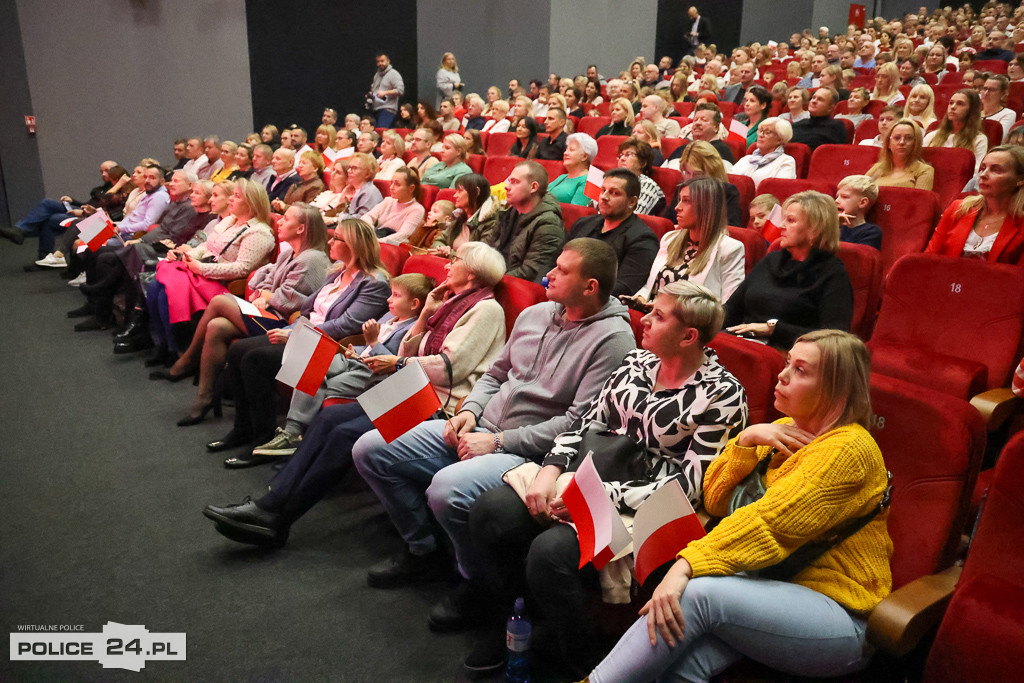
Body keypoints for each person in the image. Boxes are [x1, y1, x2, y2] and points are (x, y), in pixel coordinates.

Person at [350, 241, 634, 634]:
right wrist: (470, 411)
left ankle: (477, 583)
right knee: (370, 447)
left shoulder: (614, 339)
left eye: (563, 271)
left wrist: (499, 442)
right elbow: (495, 375)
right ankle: (424, 550)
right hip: (481, 423)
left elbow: (579, 422)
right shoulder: (536, 313)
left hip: (531, 452)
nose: (549, 274)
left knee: (446, 489)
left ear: (590, 286)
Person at [466, 277, 746, 677]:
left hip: (645, 504)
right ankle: (511, 620)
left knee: (552, 554)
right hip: (587, 473)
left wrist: (597, 495)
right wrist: (549, 470)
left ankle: (580, 659)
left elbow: (692, 485)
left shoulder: (722, 393)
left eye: (658, 316)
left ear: (688, 336)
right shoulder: (636, 362)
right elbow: (586, 423)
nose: (644, 320)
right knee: (489, 513)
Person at [586, 329, 891, 683]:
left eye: (801, 370)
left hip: (836, 612)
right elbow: (715, 500)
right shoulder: (782, 430)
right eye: (788, 362)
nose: (783, 374)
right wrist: (745, 441)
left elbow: (769, 523)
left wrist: (685, 567)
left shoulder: (848, 450)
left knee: (695, 593)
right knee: (681, 667)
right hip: (766, 585)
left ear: (837, 390)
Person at [206, 239, 504, 501]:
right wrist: (425, 313)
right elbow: (407, 351)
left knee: (344, 431)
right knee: (331, 416)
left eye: (457, 260)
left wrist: (398, 362)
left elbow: (448, 369)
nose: (449, 264)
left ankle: (277, 504)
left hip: (436, 400)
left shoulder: (486, 309)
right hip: (410, 383)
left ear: (473, 272)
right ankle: (280, 480)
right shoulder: (450, 303)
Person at [207, 219, 392, 459]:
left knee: (255, 359)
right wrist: (293, 329)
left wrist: (295, 334)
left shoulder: (374, 283)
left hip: (327, 344)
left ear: (355, 246)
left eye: (337, 238)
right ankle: (243, 429)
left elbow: (346, 325)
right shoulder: (338, 271)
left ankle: (264, 436)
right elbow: (308, 309)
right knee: (238, 350)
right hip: (303, 333)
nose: (330, 242)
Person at [163, 204, 331, 426]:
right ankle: (204, 396)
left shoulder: (312, 259)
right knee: (216, 326)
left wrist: (268, 296)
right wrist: (266, 294)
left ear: (301, 229)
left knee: (219, 301)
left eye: (286, 219)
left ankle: (188, 359)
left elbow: (291, 302)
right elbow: (265, 281)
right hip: (267, 312)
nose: (279, 222)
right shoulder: (290, 251)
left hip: (283, 323)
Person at [244, 273, 433, 462]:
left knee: (327, 384)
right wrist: (356, 348)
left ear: (414, 304)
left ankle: (304, 443)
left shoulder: (413, 329)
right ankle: (292, 433)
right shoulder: (389, 316)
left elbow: (394, 361)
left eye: (396, 296)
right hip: (353, 360)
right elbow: (365, 346)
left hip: (371, 373)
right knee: (306, 360)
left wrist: (374, 342)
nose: (389, 299)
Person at [145, 179, 276, 363]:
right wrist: (187, 255)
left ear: (251, 202)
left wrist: (200, 267)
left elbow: (242, 268)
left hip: (220, 283)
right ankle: (163, 345)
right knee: (154, 287)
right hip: (202, 272)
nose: (230, 199)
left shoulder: (259, 232)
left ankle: (178, 351)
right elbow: (207, 246)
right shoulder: (230, 221)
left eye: (236, 196)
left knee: (165, 294)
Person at [724, 191, 853, 348]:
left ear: (815, 229)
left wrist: (772, 329)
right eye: (783, 219)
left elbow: (834, 337)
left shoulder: (833, 273)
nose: (781, 226)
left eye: (790, 220)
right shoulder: (771, 260)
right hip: (744, 344)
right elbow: (731, 310)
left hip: (788, 355)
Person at [632, 177, 745, 306]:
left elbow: (728, 307)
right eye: (679, 200)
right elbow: (650, 287)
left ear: (707, 207)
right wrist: (640, 298)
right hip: (653, 314)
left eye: (686, 201)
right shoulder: (669, 239)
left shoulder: (730, 249)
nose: (677, 207)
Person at [566, 168, 659, 296]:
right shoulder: (583, 223)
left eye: (614, 193)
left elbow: (624, 287)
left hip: (597, 306)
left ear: (632, 202)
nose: (604, 197)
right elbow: (560, 260)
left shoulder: (643, 239)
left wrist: (575, 292)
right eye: (603, 190)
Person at [926, 145, 1024, 264]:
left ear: (1020, 180)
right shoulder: (958, 209)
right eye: (983, 168)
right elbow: (928, 260)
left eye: (996, 170)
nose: (983, 175)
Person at [482, 161, 565, 282]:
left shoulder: (549, 224)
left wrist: (487, 279)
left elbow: (530, 272)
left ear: (533, 187)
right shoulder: (508, 213)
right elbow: (486, 247)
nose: (506, 186)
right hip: (495, 279)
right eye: (509, 181)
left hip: (514, 288)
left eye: (514, 182)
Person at [664, 141, 743, 227]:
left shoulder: (727, 193)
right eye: (687, 172)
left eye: (698, 174)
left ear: (713, 172)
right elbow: (667, 222)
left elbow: (730, 229)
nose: (691, 179)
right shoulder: (682, 188)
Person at [430, 173, 498, 254]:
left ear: (476, 192)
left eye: (460, 191)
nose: (455, 195)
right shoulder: (460, 216)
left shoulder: (492, 222)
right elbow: (439, 241)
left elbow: (479, 258)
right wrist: (442, 248)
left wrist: (450, 254)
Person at [924, 89, 988, 173]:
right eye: (951, 103)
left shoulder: (979, 139)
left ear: (971, 109)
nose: (953, 107)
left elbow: (976, 172)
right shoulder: (932, 136)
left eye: (960, 104)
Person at [362, 167, 426, 245]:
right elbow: (367, 216)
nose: (391, 187)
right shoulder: (388, 201)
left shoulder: (417, 209)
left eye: (397, 184)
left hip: (393, 246)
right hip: (376, 237)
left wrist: (375, 241)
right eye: (391, 183)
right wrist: (370, 231)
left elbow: (403, 235)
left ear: (411, 188)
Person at [730, 117, 798, 190]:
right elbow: (728, 180)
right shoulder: (747, 159)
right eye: (760, 131)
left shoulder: (786, 161)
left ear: (780, 139)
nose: (761, 135)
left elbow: (778, 191)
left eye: (767, 132)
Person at [866, 119, 934, 190]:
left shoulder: (924, 170)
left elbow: (921, 200)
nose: (901, 142)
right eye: (897, 138)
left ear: (916, 143)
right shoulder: (878, 167)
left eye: (908, 138)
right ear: (888, 143)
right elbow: (859, 191)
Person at [614, 138, 665, 215]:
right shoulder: (612, 181)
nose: (622, 159)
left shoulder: (647, 185)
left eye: (629, 155)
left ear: (642, 163)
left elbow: (635, 216)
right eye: (621, 155)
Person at [547, 133, 597, 206]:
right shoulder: (562, 177)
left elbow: (576, 212)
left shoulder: (590, 182)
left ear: (585, 156)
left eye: (571, 150)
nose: (565, 153)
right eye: (566, 149)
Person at [835, 175, 883, 250]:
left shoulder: (871, 232)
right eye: (837, 196)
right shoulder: (834, 226)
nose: (837, 201)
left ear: (863, 203)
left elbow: (858, 256)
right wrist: (834, 226)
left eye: (844, 197)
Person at [338, 152, 384, 219]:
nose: (349, 171)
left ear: (367, 174)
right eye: (349, 167)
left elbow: (361, 219)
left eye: (354, 168)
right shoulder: (350, 189)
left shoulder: (370, 192)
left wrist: (336, 219)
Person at [369, 53, 404, 128]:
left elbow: (400, 90)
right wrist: (371, 94)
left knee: (381, 131)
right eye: (378, 61)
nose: (380, 63)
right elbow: (374, 89)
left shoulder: (394, 74)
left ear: (388, 61)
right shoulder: (376, 75)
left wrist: (385, 92)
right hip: (376, 109)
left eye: (382, 61)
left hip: (388, 109)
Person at [981, 74, 1016, 143]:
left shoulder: (1008, 114)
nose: (986, 93)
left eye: (992, 90)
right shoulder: (974, 113)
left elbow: (999, 139)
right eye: (985, 88)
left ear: (1003, 94)